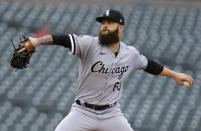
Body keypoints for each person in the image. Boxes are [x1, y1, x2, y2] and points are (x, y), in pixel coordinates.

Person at [19, 9, 194, 131]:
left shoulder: (130, 53)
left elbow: (151, 66)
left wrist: (174, 75)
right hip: (82, 112)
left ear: (121, 27)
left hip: (112, 114)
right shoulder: (89, 44)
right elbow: (62, 39)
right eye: (103, 22)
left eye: (110, 22)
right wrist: (37, 41)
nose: (104, 25)